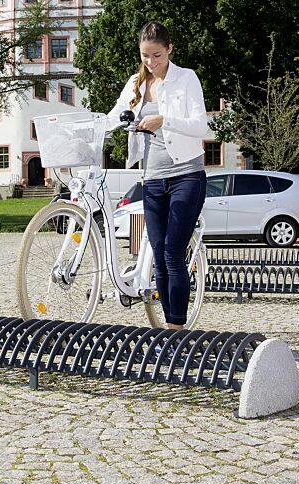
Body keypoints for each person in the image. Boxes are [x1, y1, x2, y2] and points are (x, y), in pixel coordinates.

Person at [108, 21, 208, 330]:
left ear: (169, 50)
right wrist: (93, 127)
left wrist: (163, 120)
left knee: (172, 251)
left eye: (157, 56)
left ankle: (176, 332)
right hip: (152, 178)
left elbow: (201, 125)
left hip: (186, 175)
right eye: (145, 56)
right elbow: (113, 115)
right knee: (159, 258)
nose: (151, 63)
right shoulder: (136, 84)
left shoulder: (186, 78)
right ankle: (169, 326)